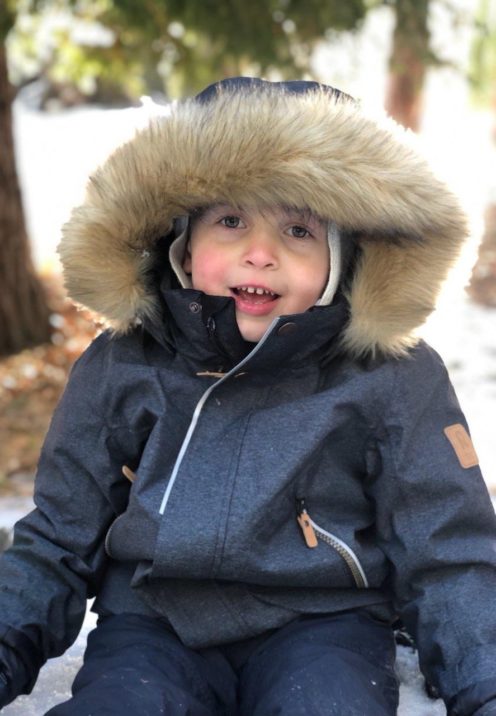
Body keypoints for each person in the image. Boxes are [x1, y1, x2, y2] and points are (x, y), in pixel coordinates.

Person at [0, 76, 495, 716]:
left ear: (344, 259)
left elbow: (446, 550)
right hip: (155, 626)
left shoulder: (390, 377)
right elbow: (58, 539)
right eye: (230, 221)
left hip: (324, 628)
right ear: (180, 245)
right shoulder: (126, 363)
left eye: (298, 229)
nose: (260, 253)